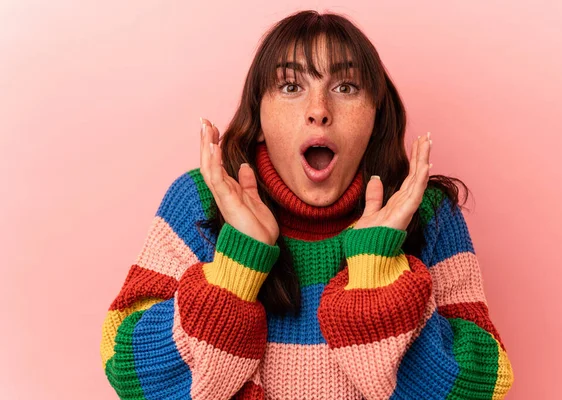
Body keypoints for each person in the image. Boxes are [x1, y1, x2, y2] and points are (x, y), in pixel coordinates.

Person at [100, 9, 514, 400]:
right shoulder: (202, 202)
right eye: (291, 87)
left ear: (375, 118)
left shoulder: (424, 211)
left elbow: (484, 383)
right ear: (258, 119)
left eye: (345, 87)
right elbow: (129, 373)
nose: (319, 111)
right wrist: (236, 265)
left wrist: (375, 272)